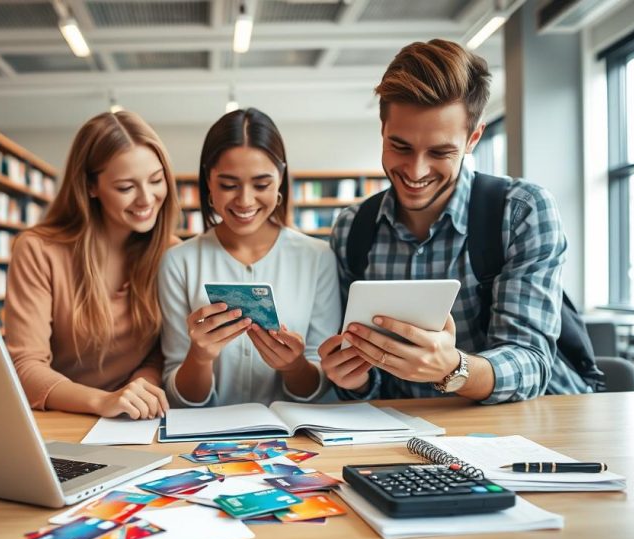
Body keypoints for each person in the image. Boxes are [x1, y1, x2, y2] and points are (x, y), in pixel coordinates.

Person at [318, 39, 592, 404]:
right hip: (407, 433)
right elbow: (374, 386)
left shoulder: (521, 212)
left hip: (525, 426)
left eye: (440, 152)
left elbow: (532, 364)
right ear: (382, 129)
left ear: (472, 138)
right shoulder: (353, 229)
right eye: (400, 146)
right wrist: (353, 379)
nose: (416, 171)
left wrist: (453, 368)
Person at [158, 108, 341, 407]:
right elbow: (180, 395)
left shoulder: (317, 258)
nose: (244, 200)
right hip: (205, 441)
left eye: (261, 185)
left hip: (293, 440)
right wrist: (200, 356)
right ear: (208, 182)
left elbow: (320, 385)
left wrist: (294, 367)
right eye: (229, 185)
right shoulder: (178, 263)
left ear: (281, 178)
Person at [5, 111, 178, 419]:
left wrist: (139, 388)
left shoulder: (172, 254)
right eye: (126, 187)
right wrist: (103, 401)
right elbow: (25, 366)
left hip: (131, 418)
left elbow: (161, 354)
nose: (146, 199)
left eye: (155, 180)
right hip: (56, 418)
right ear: (90, 186)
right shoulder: (38, 250)